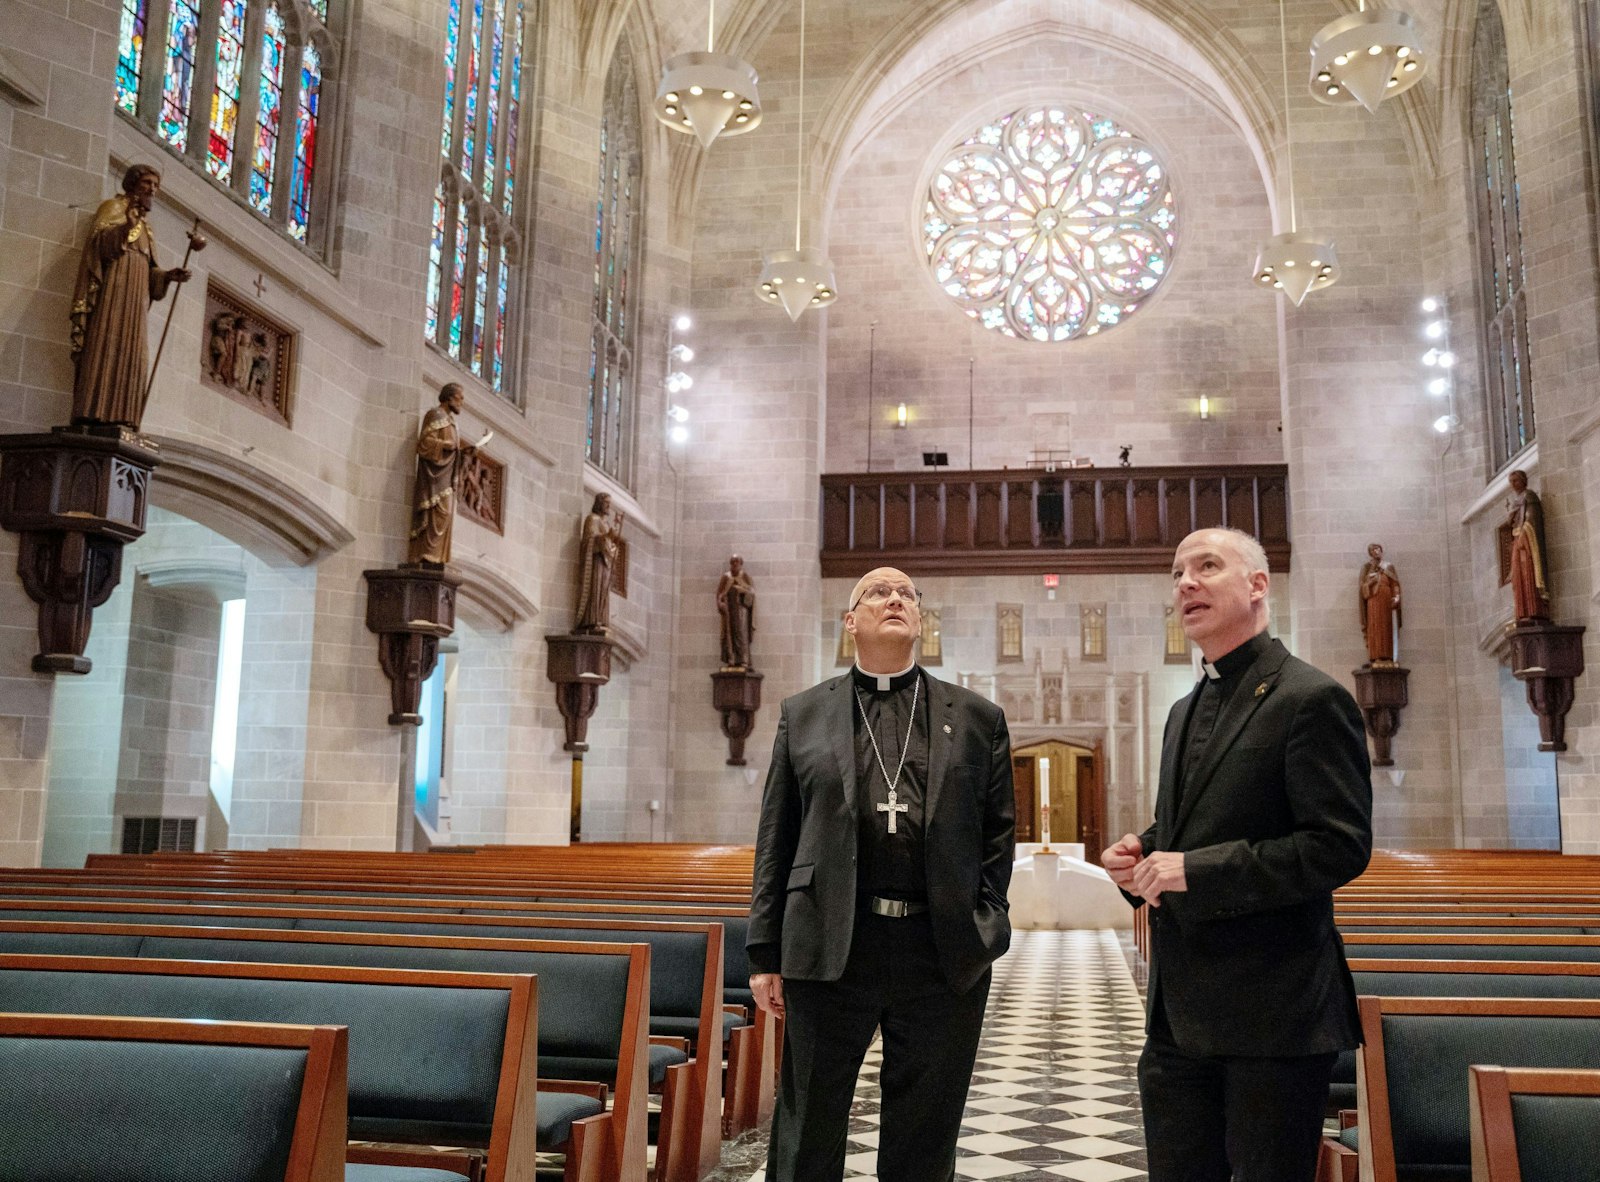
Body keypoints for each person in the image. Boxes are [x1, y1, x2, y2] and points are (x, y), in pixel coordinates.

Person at [1102, 527, 1372, 1182]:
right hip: (1176, 1023)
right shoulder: (1183, 709)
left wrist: (1192, 870)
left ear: (1258, 585)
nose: (1184, 583)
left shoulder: (1309, 698)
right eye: (1176, 573)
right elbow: (1189, 830)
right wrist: (1143, 855)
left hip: (1272, 1021)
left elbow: (1338, 846)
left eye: (1206, 566)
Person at [748, 566, 1015, 1182]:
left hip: (940, 949)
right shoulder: (804, 713)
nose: (895, 599)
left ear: (920, 620)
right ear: (850, 622)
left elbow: (999, 836)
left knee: (925, 1133)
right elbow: (776, 836)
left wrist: (987, 925)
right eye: (877, 592)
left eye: (908, 595)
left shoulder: (977, 718)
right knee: (807, 1130)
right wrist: (764, 951)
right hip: (830, 945)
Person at [69, 163, 192, 428]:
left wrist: (167, 276)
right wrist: (125, 228)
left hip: (135, 300)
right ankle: (92, 412)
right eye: (148, 183)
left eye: (155, 186)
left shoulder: (147, 229)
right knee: (105, 343)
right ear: (132, 183)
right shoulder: (113, 209)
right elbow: (97, 246)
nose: (152, 190)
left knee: (134, 353)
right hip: (113, 292)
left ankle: (123, 416)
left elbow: (150, 271)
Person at [407, 383, 473, 566]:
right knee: (438, 513)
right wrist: (444, 445)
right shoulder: (435, 415)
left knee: (446, 515)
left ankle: (438, 556)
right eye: (460, 398)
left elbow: (453, 452)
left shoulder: (452, 422)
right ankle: (426, 554)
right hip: (433, 478)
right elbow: (424, 444)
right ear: (449, 397)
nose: (462, 402)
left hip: (447, 476)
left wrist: (464, 454)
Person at [1505, 469, 1550, 622]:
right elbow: (1511, 523)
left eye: (1516, 480)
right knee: (1518, 576)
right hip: (1518, 542)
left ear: (1524, 481)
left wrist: (1524, 534)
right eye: (1511, 482)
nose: (1513, 484)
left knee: (1528, 573)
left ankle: (1534, 609)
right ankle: (1522, 612)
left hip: (1527, 543)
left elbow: (1532, 518)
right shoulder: (1515, 500)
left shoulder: (1529, 496)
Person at [575, 493, 622, 633]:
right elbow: (589, 541)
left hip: (605, 563)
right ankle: (592, 620)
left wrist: (611, 541)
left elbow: (610, 545)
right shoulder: (592, 519)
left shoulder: (606, 523)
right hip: (596, 562)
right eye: (606, 503)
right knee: (596, 588)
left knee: (604, 591)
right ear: (599, 503)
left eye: (609, 503)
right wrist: (606, 537)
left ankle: (601, 619)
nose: (609, 506)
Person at [1358, 542, 1402, 665]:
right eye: (1374, 550)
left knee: (1387, 627)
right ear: (1370, 554)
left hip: (1387, 599)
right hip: (1373, 602)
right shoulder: (1367, 568)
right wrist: (1371, 583)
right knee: (1375, 627)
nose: (1377, 552)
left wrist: (1397, 597)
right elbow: (1362, 588)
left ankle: (1389, 657)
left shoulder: (1388, 566)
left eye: (1378, 549)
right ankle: (1376, 656)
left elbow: (1395, 584)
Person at [716, 554, 756, 669]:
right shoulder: (726, 577)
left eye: (737, 562)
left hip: (741, 609)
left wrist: (742, 590)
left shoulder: (744, 576)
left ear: (740, 563)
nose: (734, 564)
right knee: (730, 634)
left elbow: (752, 592)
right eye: (732, 562)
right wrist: (720, 603)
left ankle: (744, 659)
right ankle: (731, 658)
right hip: (728, 610)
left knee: (741, 634)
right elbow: (719, 593)